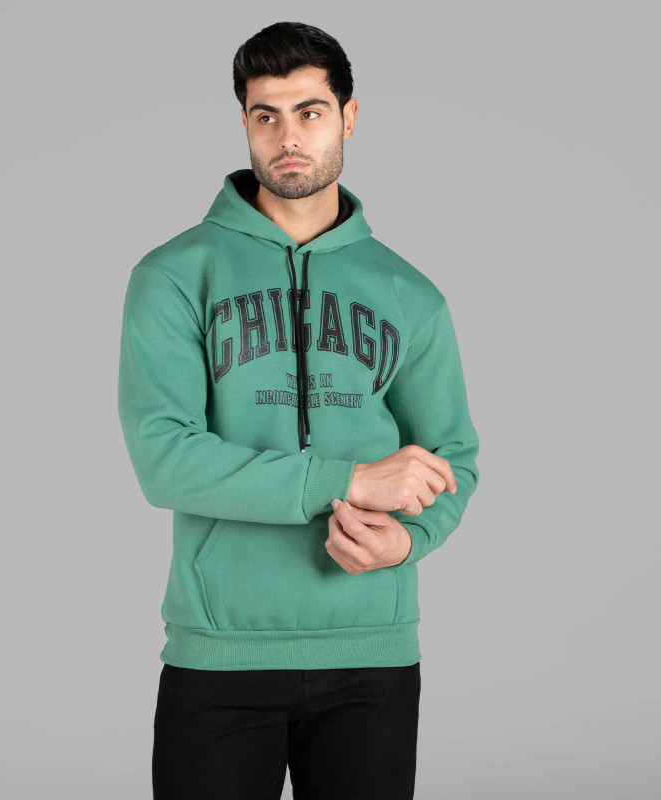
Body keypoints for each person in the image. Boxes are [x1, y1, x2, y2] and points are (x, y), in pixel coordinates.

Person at [117, 20, 480, 800]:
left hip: (372, 654)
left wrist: (408, 541)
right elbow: (164, 457)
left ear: (349, 116)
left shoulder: (408, 293)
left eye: (310, 112)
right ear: (245, 122)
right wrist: (348, 480)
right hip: (221, 652)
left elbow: (453, 457)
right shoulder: (175, 275)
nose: (288, 137)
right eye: (266, 115)